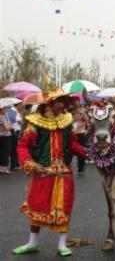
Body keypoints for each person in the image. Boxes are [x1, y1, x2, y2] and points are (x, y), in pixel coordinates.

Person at [13, 88, 86, 256]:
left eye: (64, 102)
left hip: (63, 173)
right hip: (42, 171)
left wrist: (86, 152)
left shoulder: (67, 120)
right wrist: (30, 164)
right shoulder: (35, 122)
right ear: (50, 103)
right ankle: (32, 242)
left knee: (64, 207)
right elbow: (22, 146)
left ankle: (62, 244)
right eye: (59, 101)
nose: (63, 105)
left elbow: (72, 144)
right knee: (36, 204)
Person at [71, 97, 88, 175]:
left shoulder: (83, 110)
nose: (76, 103)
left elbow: (87, 121)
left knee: (82, 151)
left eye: (77, 101)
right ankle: (67, 166)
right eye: (74, 101)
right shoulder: (70, 111)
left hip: (81, 132)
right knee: (70, 151)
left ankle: (81, 169)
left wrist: (83, 114)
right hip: (72, 133)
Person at [0, 106, 12, 174]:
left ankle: (1, 168)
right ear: (1, 110)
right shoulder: (2, 117)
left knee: (1, 152)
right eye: (5, 109)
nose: (6, 110)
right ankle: (4, 168)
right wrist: (10, 124)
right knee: (5, 152)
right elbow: (7, 128)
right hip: (5, 136)